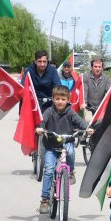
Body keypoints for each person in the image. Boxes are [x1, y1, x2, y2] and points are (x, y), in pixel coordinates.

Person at [36, 85, 91, 214]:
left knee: (71, 151)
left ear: (68, 100)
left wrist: (87, 128)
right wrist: (40, 128)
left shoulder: (70, 112)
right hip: (50, 145)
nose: (60, 101)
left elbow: (79, 122)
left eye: (63, 99)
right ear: (53, 99)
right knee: (49, 170)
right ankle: (45, 199)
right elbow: (42, 121)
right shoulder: (49, 111)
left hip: (66, 142)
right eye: (57, 99)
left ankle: (70, 172)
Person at [83, 57, 110, 123]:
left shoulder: (107, 78)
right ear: (92, 67)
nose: (97, 69)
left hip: (101, 107)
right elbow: (84, 91)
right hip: (88, 106)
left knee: (104, 121)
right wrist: (84, 103)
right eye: (95, 66)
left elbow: (110, 92)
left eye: (99, 67)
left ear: (102, 68)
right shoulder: (85, 76)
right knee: (88, 120)